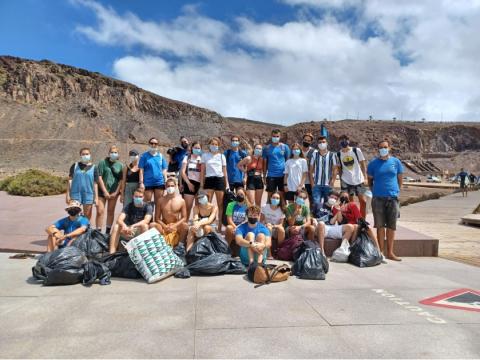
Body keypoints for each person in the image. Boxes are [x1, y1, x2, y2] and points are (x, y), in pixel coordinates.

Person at [367, 140, 403, 261]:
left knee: (391, 227)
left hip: (393, 198)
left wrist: (397, 192)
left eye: (385, 147)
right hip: (378, 199)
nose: (383, 149)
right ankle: (381, 252)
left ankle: (390, 253)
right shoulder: (373, 164)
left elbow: (400, 179)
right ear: (378, 149)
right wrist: (375, 192)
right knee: (380, 226)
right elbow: (370, 181)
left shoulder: (396, 162)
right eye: (381, 147)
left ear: (389, 148)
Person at [109, 188, 153, 253]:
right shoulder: (128, 206)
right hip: (128, 230)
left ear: (143, 197)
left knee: (145, 226)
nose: (138, 198)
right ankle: (111, 253)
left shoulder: (148, 206)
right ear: (133, 197)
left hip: (139, 230)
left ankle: (145, 253)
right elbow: (119, 219)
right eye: (136, 196)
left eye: (140, 197)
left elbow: (146, 220)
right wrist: (124, 226)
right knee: (116, 226)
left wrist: (133, 226)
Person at [337, 134, 369, 218]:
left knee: (363, 201)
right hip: (346, 180)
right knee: (350, 202)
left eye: (345, 139)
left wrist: (365, 177)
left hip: (359, 179)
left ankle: (362, 220)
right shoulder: (338, 154)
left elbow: (363, 163)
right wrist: (341, 180)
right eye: (341, 140)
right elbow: (339, 168)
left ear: (348, 141)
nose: (343, 142)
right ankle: (353, 218)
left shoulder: (356, 150)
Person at [200, 137, 229, 230]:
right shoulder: (205, 155)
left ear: (218, 146)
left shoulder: (222, 156)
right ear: (209, 145)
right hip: (209, 180)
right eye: (212, 144)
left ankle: (219, 225)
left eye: (216, 144)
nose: (214, 146)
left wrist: (227, 184)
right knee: (207, 203)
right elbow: (202, 171)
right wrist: (201, 185)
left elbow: (225, 172)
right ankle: (207, 224)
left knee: (220, 204)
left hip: (219, 180)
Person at [150, 178, 189, 246]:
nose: (170, 187)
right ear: (165, 187)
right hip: (164, 225)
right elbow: (157, 218)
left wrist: (174, 225)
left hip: (176, 226)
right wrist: (165, 226)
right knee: (152, 225)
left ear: (175, 186)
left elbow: (184, 217)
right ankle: (160, 245)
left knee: (185, 226)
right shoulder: (160, 200)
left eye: (172, 186)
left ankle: (180, 246)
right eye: (168, 186)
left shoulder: (181, 201)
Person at [96, 145, 124, 234]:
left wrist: (116, 192)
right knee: (100, 211)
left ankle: (107, 232)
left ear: (118, 154)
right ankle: (98, 232)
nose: (113, 154)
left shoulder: (120, 165)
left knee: (110, 211)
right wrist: (104, 191)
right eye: (112, 152)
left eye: (115, 152)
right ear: (108, 153)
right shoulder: (102, 162)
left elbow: (121, 180)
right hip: (102, 191)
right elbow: (99, 177)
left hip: (113, 192)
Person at [139, 137, 168, 219]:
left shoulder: (161, 156)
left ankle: (156, 222)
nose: (153, 145)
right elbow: (141, 170)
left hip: (159, 182)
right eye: (151, 143)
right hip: (147, 183)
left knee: (158, 203)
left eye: (155, 143)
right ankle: (148, 221)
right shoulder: (144, 156)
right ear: (149, 144)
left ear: (157, 145)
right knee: (147, 204)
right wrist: (141, 183)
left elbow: (164, 169)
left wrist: (165, 180)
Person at [67, 147, 98, 221]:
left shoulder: (94, 167)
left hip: (88, 194)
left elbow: (95, 184)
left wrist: (96, 197)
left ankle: (85, 230)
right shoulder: (75, 166)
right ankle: (74, 230)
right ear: (80, 155)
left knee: (87, 215)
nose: (85, 156)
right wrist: (67, 195)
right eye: (83, 154)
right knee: (74, 214)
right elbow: (69, 180)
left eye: (87, 154)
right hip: (75, 194)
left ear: (90, 155)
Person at [310, 135, 338, 216]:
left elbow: (335, 169)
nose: (322, 144)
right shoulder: (314, 155)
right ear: (317, 144)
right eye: (320, 142)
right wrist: (312, 183)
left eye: (323, 142)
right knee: (316, 203)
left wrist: (332, 181)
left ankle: (327, 220)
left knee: (328, 204)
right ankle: (316, 220)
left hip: (327, 185)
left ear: (327, 143)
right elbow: (311, 169)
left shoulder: (332, 155)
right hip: (316, 184)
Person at [263, 129, 291, 205]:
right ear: (271, 136)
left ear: (280, 136)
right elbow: (265, 163)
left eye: (277, 136)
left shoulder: (285, 147)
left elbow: (288, 162)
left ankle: (284, 215)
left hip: (283, 175)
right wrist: (264, 176)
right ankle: (268, 215)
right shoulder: (266, 148)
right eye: (274, 136)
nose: (275, 137)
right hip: (271, 175)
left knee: (283, 197)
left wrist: (288, 176)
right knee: (270, 197)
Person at [181, 141, 203, 220]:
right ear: (192, 148)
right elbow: (183, 172)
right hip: (189, 183)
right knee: (188, 207)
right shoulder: (187, 158)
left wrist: (201, 186)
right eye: (195, 148)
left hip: (199, 184)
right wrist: (189, 183)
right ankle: (185, 224)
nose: (197, 149)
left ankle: (196, 225)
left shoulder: (202, 159)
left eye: (199, 148)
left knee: (198, 207)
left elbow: (203, 173)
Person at [260, 191, 285, 257]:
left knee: (281, 229)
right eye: (273, 197)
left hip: (275, 229)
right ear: (270, 198)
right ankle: (269, 252)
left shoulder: (281, 209)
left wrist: (273, 225)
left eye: (277, 198)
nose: (275, 199)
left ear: (280, 200)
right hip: (266, 227)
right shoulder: (265, 207)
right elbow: (261, 220)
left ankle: (280, 251)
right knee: (269, 228)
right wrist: (266, 224)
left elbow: (281, 224)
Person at [301, 133, 315, 205]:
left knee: (311, 199)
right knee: (299, 199)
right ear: (302, 140)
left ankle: (311, 214)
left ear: (311, 142)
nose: (306, 141)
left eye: (308, 140)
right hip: (299, 180)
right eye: (305, 140)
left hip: (309, 180)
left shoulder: (314, 152)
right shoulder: (298, 150)